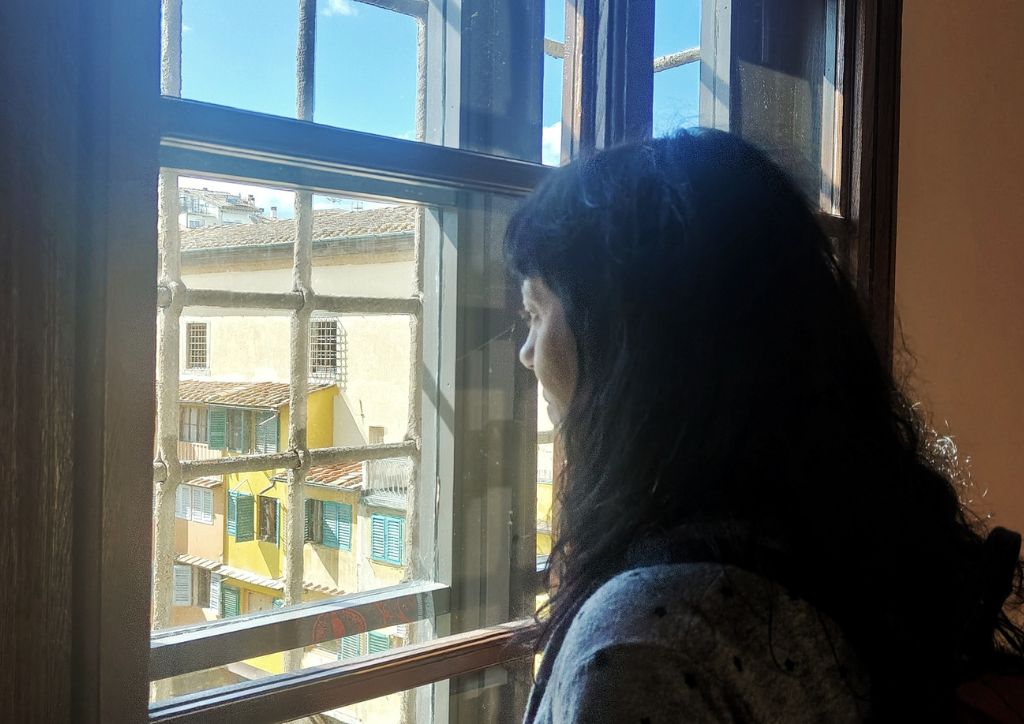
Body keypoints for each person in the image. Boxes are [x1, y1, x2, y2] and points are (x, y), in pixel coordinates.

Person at [506, 129, 1024, 722]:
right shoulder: (838, 538)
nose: (526, 352)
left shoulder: (639, 647)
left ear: (631, 345)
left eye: (535, 311)